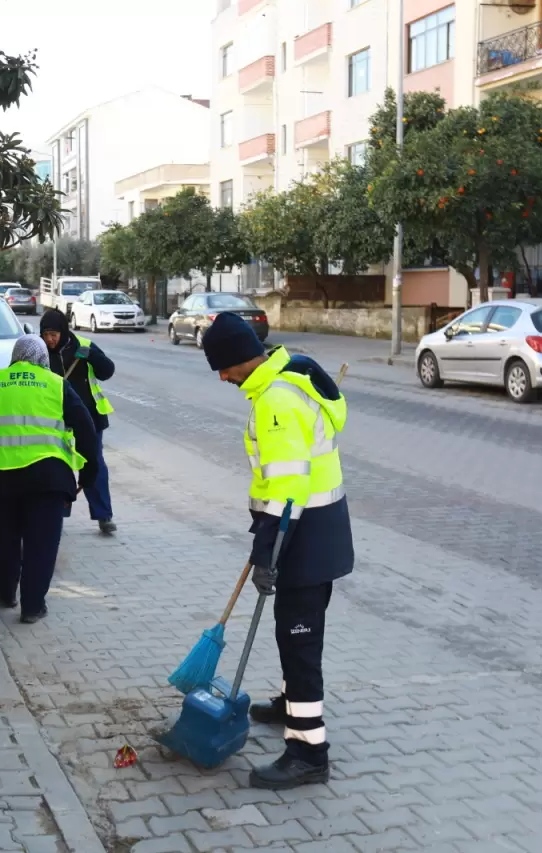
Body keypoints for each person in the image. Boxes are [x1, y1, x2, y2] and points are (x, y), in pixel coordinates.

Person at [200, 312, 354, 791]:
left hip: (303, 539)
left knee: (299, 641)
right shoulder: (290, 375)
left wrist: (266, 551)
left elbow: (287, 488)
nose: (222, 378)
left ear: (239, 359)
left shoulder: (276, 401)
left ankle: (308, 752)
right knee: (294, 632)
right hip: (319, 530)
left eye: (223, 368)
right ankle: (291, 705)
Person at [0, 335, 98, 624]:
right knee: (41, 544)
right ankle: (32, 606)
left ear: (15, 356)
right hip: (48, 480)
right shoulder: (57, 384)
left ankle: (6, 592)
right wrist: (89, 473)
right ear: (43, 358)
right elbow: (86, 429)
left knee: (3, 539)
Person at [38, 308, 118, 534]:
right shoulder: (38, 351)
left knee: (94, 464)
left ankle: (103, 515)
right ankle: (58, 516)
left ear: (63, 331)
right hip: (55, 420)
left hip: (89, 418)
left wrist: (92, 356)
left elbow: (107, 371)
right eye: (46, 334)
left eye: (53, 334)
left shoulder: (83, 345)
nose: (49, 339)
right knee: (59, 468)